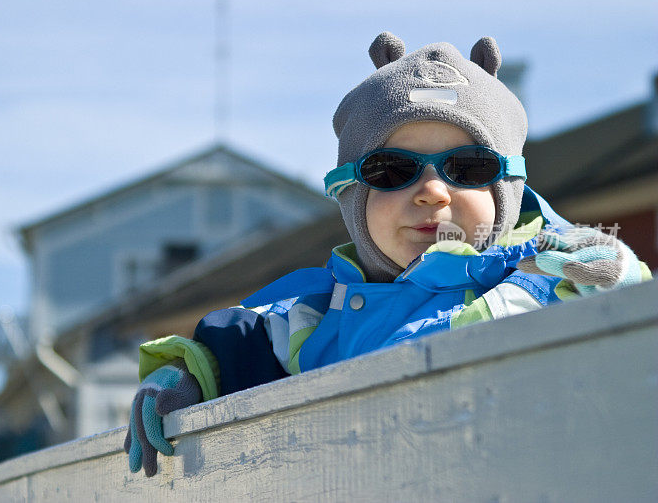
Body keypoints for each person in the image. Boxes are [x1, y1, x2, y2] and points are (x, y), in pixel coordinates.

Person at [124, 32, 652, 477]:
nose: (432, 191)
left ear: (507, 188)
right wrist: (183, 378)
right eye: (393, 171)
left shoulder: (544, 277)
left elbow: (630, 341)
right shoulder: (311, 312)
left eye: (467, 168)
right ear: (351, 194)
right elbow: (231, 346)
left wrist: (618, 279)